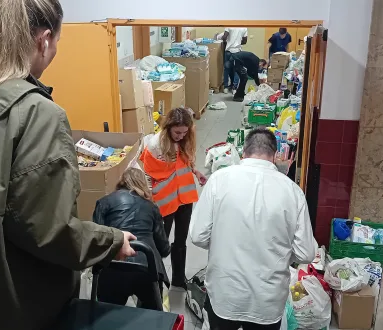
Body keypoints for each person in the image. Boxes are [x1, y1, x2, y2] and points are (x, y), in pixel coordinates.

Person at [0, 0, 137, 329]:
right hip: (21, 303)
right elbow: (51, 231)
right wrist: (110, 241)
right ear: (43, 40)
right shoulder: (37, 115)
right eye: (58, 41)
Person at [189, 128, 317, 330]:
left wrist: (223, 243)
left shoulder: (218, 180)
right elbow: (306, 252)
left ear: (243, 153)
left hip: (225, 293)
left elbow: (198, 236)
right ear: (274, 156)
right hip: (267, 300)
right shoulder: (292, 191)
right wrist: (280, 252)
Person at [140, 107, 206, 289]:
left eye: (185, 132)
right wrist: (149, 199)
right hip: (164, 201)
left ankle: (178, 279)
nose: (181, 136)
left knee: (181, 241)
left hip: (184, 197)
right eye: (177, 132)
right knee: (161, 243)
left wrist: (196, 171)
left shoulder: (186, 139)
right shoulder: (155, 145)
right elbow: (146, 174)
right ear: (168, 127)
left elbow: (186, 160)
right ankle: (156, 281)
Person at [92, 167, 172, 310]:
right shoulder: (152, 207)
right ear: (142, 184)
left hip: (113, 265)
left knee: (108, 317)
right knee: (152, 316)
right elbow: (164, 249)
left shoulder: (103, 202)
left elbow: (97, 239)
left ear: (121, 182)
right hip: (146, 266)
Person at [222, 27, 248, 93]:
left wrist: (227, 43)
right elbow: (245, 41)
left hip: (228, 51)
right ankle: (234, 88)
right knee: (237, 70)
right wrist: (238, 43)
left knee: (226, 69)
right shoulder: (244, 28)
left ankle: (225, 87)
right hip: (238, 51)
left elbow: (224, 37)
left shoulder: (229, 25)